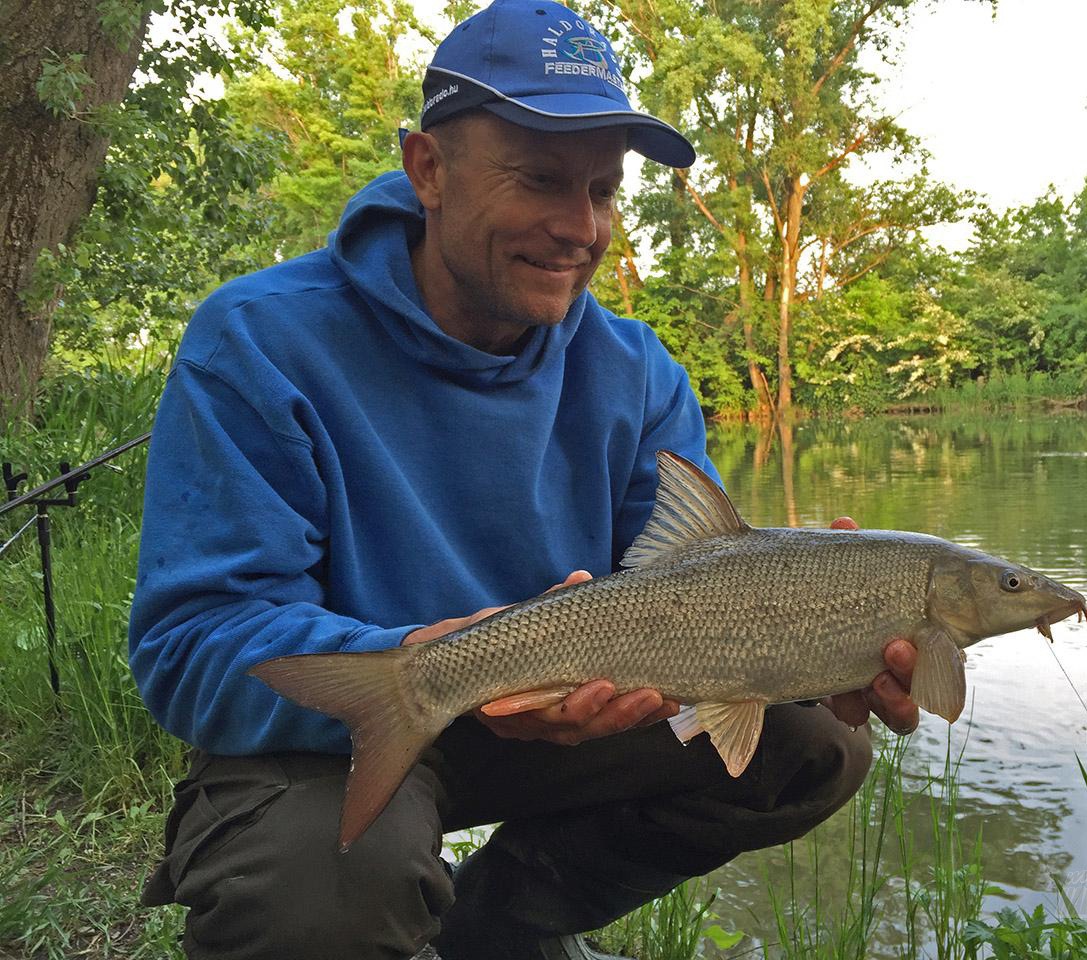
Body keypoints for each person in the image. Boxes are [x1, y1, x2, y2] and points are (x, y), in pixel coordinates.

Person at [127, 1, 921, 958]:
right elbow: (194, 642)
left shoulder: (639, 371)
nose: (579, 227)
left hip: (566, 719)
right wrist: (424, 659)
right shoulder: (258, 342)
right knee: (315, 892)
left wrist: (810, 631)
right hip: (336, 728)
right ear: (428, 170)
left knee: (815, 751)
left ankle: (493, 934)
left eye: (604, 190)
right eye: (541, 180)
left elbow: (695, 578)